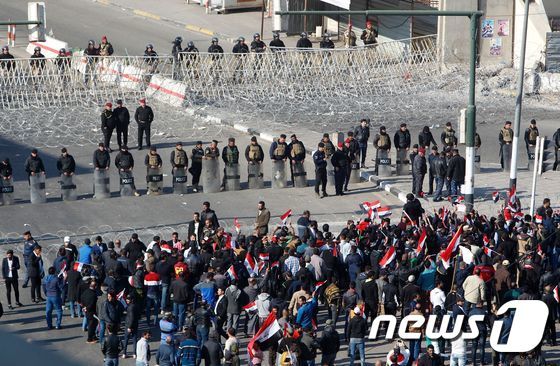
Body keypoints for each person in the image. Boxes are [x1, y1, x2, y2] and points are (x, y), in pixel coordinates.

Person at [81, 279, 99, 343]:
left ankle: (93, 336)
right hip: (92, 312)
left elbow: (82, 299)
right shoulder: (93, 294)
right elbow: (92, 304)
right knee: (92, 326)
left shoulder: (86, 291)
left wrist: (83, 307)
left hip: (87, 311)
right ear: (95, 286)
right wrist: (87, 308)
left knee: (91, 324)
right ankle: (89, 339)